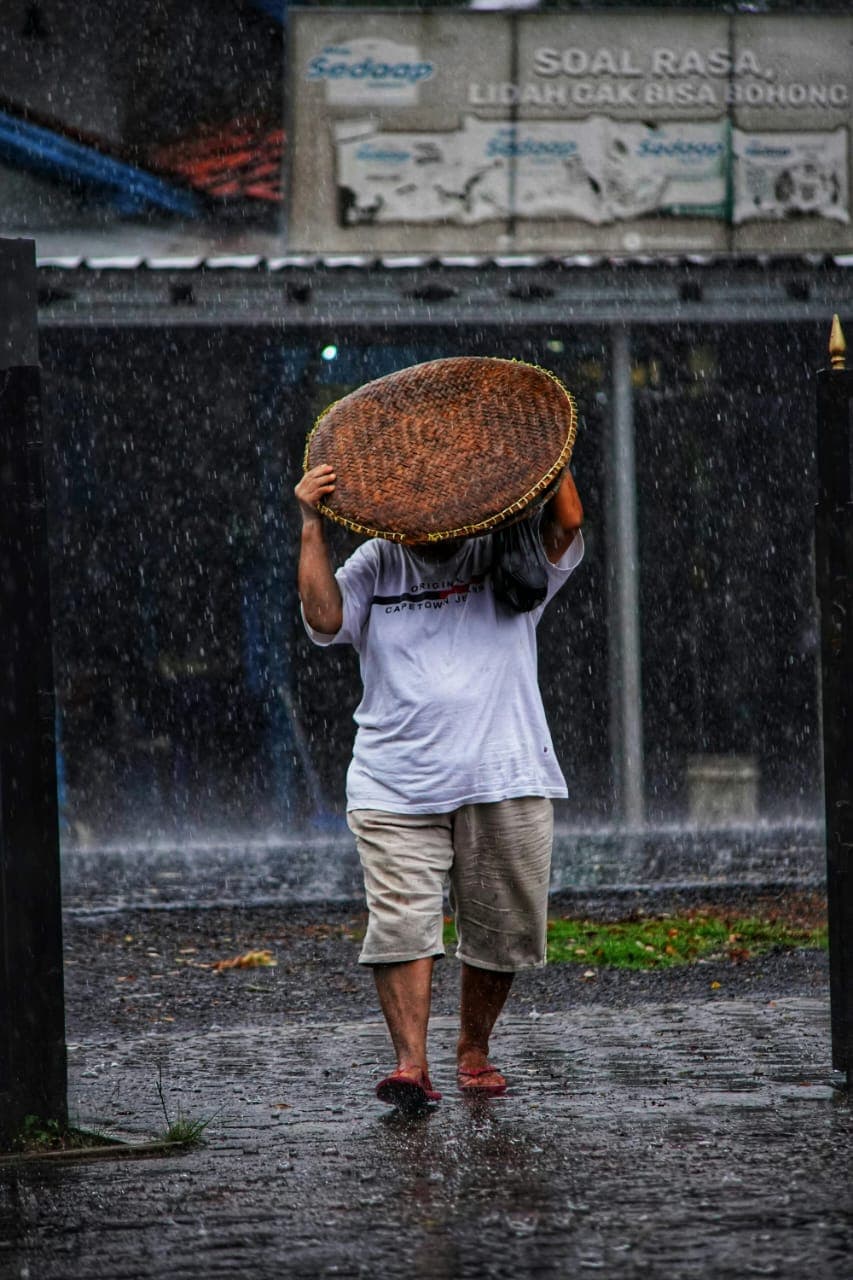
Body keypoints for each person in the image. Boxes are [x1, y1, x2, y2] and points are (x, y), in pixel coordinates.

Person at [295, 460, 584, 1111]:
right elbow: (322, 618)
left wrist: (540, 450)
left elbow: (566, 521)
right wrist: (312, 523)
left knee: (499, 932)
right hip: (392, 782)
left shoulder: (507, 550)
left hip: (503, 773)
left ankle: (473, 1048)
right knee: (400, 924)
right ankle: (410, 1065)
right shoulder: (376, 561)